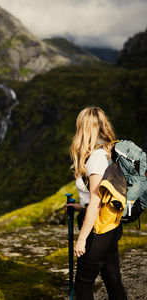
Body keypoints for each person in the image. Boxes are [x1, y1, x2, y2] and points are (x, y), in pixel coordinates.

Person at [66, 107, 128, 300]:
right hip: (110, 225)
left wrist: (82, 238)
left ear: (84, 129)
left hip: (97, 229)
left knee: (83, 284)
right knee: (112, 280)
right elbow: (101, 196)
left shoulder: (95, 158)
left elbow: (96, 201)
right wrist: (79, 207)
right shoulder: (107, 152)